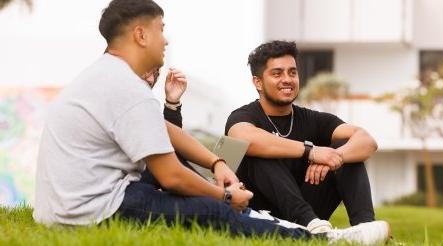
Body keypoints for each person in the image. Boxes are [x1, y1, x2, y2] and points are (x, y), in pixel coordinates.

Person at [32, 0, 310, 239]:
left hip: (63, 208)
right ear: (141, 35)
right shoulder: (126, 87)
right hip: (90, 212)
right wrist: (225, 198)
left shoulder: (105, 75)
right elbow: (171, 176)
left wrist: (218, 162)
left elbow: (165, 130)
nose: (166, 40)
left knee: (185, 185)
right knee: (212, 210)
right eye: (161, 29)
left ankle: (258, 217)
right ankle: (308, 237)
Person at [225, 40, 390, 244]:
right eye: (277, 74)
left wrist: (332, 157)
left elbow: (366, 141)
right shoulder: (243, 116)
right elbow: (243, 137)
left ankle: (367, 229)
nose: (287, 79)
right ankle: (310, 223)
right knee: (260, 149)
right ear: (258, 82)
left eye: (292, 72)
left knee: (345, 148)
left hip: (311, 211)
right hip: (262, 217)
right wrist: (310, 152)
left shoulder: (313, 119)